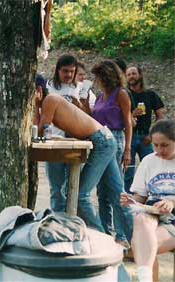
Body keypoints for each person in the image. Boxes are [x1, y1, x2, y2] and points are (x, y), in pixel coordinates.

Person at [36, 91, 133, 240]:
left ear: (38, 91)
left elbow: (42, 132)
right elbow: (39, 130)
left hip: (102, 142)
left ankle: (103, 239)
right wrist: (37, 107)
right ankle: (131, 239)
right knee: (117, 194)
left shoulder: (50, 99)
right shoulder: (49, 102)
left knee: (81, 195)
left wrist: (37, 107)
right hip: (105, 139)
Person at [120, 119, 175, 282]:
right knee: (141, 219)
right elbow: (140, 197)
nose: (159, 150)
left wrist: (172, 201)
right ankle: (146, 278)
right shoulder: (149, 160)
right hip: (153, 212)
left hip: (172, 218)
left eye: (164, 145)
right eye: (155, 145)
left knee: (145, 245)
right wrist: (131, 201)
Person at [89, 60, 133, 247]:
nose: (96, 80)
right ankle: (106, 233)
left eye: (98, 76)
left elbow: (128, 122)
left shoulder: (120, 94)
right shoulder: (100, 96)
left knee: (116, 190)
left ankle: (124, 236)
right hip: (100, 140)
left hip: (115, 138)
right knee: (102, 192)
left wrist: (128, 149)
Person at [44, 54, 82, 212]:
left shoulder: (78, 87)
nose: (68, 75)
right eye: (65, 71)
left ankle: (71, 216)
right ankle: (57, 216)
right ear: (57, 70)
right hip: (54, 139)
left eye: (71, 72)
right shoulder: (49, 87)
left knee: (73, 185)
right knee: (56, 186)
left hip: (73, 140)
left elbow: (88, 114)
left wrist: (79, 105)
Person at [124, 66, 165, 192]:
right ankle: (129, 201)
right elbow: (119, 116)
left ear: (140, 75)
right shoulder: (124, 94)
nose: (131, 76)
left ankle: (151, 197)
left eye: (134, 73)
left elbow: (160, 116)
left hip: (145, 137)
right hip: (128, 137)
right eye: (129, 74)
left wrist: (152, 135)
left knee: (151, 169)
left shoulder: (150, 95)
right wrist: (132, 115)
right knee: (128, 172)